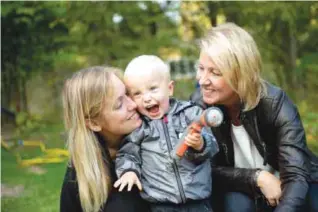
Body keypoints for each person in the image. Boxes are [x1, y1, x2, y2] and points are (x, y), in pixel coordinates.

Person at [190, 22, 318, 212]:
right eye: (201, 68)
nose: (202, 81)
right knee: (235, 204)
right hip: (240, 189)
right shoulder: (199, 106)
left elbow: (296, 176)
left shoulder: (275, 103)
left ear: (241, 74)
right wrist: (257, 177)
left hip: (292, 185)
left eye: (215, 72)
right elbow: (204, 169)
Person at [114, 55, 219, 212]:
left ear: (170, 88)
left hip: (198, 201)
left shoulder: (190, 114)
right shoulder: (139, 128)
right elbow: (127, 154)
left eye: (153, 89)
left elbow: (212, 147)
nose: (147, 98)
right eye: (137, 94)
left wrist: (201, 144)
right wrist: (128, 171)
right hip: (161, 204)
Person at [60, 66, 150, 212]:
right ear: (94, 123)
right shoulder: (79, 174)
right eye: (119, 104)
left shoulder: (155, 137)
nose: (133, 104)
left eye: (128, 94)